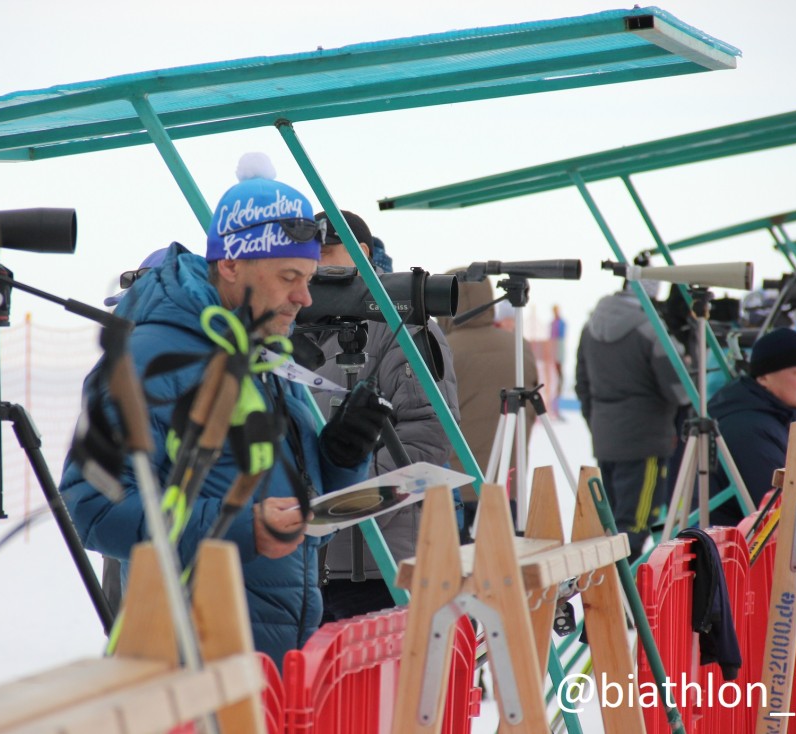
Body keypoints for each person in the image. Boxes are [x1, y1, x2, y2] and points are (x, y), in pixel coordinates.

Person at [60, 153, 387, 665]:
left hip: (273, 663)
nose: (304, 297)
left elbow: (298, 517)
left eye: (308, 277)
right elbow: (92, 509)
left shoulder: (266, 357)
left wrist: (340, 457)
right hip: (187, 666)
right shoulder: (148, 358)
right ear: (231, 264)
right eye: (288, 277)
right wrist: (241, 528)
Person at [302, 209, 460, 622]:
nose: (317, 262)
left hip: (380, 564)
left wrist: (346, 501)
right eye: (310, 253)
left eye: (329, 250)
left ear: (363, 254)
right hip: (306, 565)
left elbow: (430, 434)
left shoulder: (399, 325)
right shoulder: (291, 328)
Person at [575, 280, 688, 562]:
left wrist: (598, 424)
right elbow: (680, 390)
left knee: (609, 522)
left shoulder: (591, 328)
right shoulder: (651, 330)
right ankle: (627, 597)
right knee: (636, 524)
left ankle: (608, 590)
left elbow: (582, 384)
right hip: (645, 439)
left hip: (606, 436)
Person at [437, 275, 537, 541]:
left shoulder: (441, 350)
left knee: (457, 573)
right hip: (508, 480)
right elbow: (533, 406)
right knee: (505, 566)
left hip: (454, 482)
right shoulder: (519, 346)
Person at [708, 327, 796, 527]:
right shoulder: (749, 428)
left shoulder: (772, 418)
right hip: (737, 552)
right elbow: (782, 509)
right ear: (763, 378)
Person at [548, 305, 566, 416]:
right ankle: (554, 407)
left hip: (557, 353)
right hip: (554, 353)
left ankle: (556, 407)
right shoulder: (553, 324)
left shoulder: (560, 323)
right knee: (555, 380)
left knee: (558, 379)